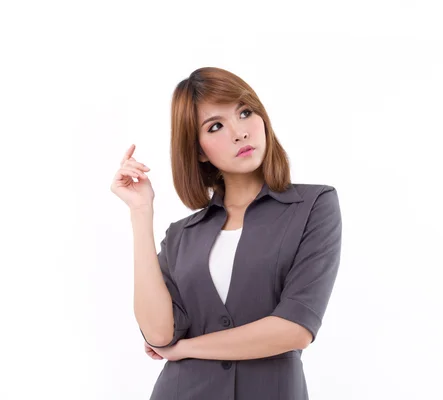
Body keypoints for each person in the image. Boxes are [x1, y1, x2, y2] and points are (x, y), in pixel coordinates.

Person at [110, 66, 342, 400]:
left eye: (245, 113)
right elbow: (159, 335)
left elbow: (294, 329)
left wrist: (187, 347)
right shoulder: (181, 235)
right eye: (216, 126)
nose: (239, 133)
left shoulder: (313, 206)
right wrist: (140, 212)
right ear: (200, 150)